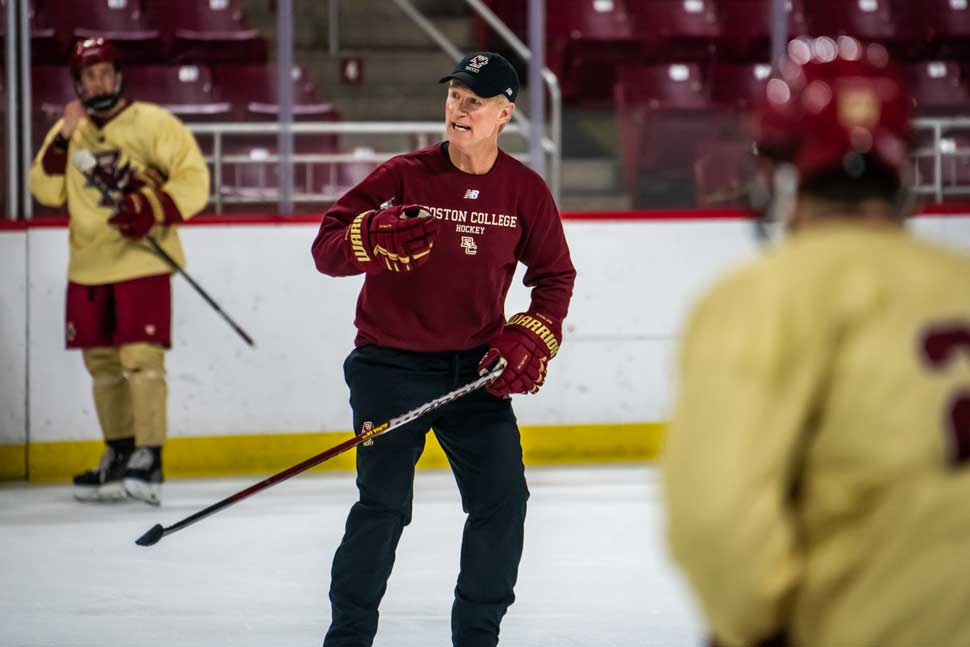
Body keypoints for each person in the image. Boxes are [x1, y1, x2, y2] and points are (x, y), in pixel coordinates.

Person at [662, 36, 970, 647]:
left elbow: (717, 519)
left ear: (777, 169)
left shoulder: (762, 298)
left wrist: (756, 628)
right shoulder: (958, 279)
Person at [310, 52, 576, 647]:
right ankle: (348, 639)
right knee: (382, 509)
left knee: (503, 503)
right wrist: (368, 236)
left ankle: (477, 638)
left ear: (505, 113)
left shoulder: (524, 192)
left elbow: (555, 277)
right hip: (388, 366)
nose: (460, 108)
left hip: (473, 376)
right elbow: (326, 248)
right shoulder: (403, 174)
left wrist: (533, 332)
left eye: (475, 100)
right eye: (455, 95)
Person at [28, 38, 210, 506]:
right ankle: (119, 450)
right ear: (78, 83)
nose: (99, 81)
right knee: (102, 366)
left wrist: (151, 208)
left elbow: (194, 179)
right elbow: (44, 189)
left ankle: (149, 455)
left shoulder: (154, 123)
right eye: (90, 75)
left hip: (142, 262)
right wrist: (65, 137)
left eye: (106, 72)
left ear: (119, 75)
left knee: (141, 359)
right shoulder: (70, 130)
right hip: (88, 265)